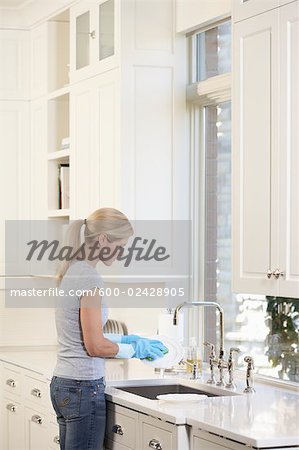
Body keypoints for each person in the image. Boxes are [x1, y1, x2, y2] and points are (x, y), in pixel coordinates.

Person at [50, 208, 167, 450]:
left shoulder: (73, 271)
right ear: (104, 239)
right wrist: (132, 349)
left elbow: (81, 334)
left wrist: (128, 339)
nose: (122, 252)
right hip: (83, 387)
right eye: (121, 245)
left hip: (64, 383)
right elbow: (94, 346)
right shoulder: (89, 278)